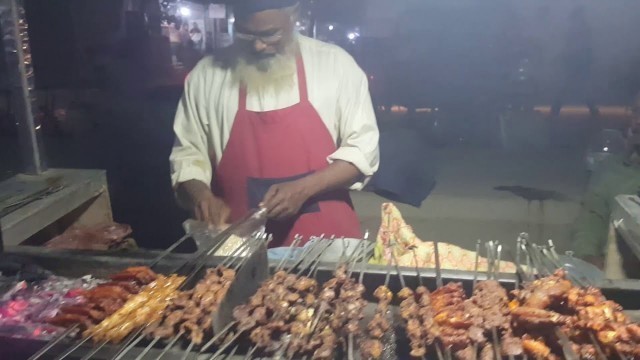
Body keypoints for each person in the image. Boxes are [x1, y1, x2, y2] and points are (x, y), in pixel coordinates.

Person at [169, 0, 380, 247]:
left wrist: (304, 188)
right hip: (239, 242)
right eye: (246, 34)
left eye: (270, 34)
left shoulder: (335, 65)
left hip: (329, 242)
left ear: (293, 17)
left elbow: (363, 151)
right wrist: (200, 195)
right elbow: (187, 155)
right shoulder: (206, 75)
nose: (258, 45)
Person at [571, 94, 640, 269]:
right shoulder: (611, 170)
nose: (638, 122)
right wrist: (586, 257)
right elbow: (591, 219)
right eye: (637, 113)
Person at [550, 6, 598, 118]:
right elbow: (572, 48)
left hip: (578, 63)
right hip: (575, 63)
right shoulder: (579, 30)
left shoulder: (581, 30)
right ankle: (592, 110)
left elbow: (580, 48)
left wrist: (566, 57)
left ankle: (555, 109)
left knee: (575, 86)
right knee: (576, 87)